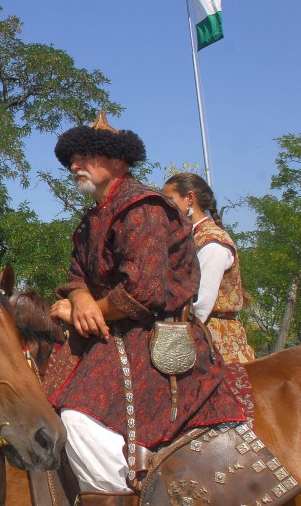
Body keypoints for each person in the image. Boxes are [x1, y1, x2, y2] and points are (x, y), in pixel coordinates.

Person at [44, 112, 244, 502]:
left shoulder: (143, 208)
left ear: (117, 162)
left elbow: (147, 291)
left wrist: (89, 310)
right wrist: (79, 298)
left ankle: (120, 497)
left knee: (79, 417)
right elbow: (75, 275)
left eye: (85, 156)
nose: (74, 165)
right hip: (110, 335)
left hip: (152, 337)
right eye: (72, 157)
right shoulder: (91, 220)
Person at [162, 172, 256, 363]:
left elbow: (200, 305)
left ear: (190, 198)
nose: (165, 207)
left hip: (215, 342)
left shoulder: (213, 242)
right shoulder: (188, 239)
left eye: (169, 199)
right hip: (196, 331)